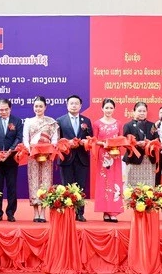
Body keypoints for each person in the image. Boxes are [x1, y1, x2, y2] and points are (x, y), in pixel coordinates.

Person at [55, 94, 92, 222]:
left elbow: (90, 139)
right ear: (67, 105)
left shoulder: (86, 121)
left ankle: (80, 213)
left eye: (76, 103)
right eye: (71, 103)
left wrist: (84, 142)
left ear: (80, 105)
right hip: (66, 158)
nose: (74, 105)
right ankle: (67, 211)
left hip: (82, 158)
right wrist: (67, 143)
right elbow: (56, 141)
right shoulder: (60, 121)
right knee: (67, 185)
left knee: (81, 186)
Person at [22, 96, 59, 223]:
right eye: (36, 106)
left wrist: (48, 149)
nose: (38, 108)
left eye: (40, 106)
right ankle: (35, 212)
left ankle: (43, 212)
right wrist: (31, 150)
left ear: (45, 107)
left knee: (45, 181)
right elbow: (25, 140)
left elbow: (55, 140)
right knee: (34, 183)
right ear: (33, 107)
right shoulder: (28, 122)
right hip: (32, 155)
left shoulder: (51, 122)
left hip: (47, 156)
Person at [0, 99, 23, 222]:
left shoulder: (16, 121)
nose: (3, 112)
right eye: (1, 110)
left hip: (11, 158)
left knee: (12, 186)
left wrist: (10, 151)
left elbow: (19, 137)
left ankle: (11, 212)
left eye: (6, 109)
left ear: (10, 109)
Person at [93, 98, 123, 222]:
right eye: (106, 108)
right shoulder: (97, 123)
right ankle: (105, 211)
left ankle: (113, 211)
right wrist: (104, 143)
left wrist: (115, 144)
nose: (109, 110)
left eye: (111, 108)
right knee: (104, 181)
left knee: (115, 180)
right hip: (103, 155)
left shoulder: (119, 123)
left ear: (114, 109)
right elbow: (94, 140)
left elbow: (122, 139)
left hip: (115, 155)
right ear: (102, 108)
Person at [122, 102, 157, 189]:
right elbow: (125, 142)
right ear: (134, 112)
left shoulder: (152, 126)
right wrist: (137, 144)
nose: (142, 113)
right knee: (132, 188)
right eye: (139, 111)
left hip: (148, 159)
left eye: (144, 111)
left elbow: (157, 140)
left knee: (148, 188)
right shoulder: (128, 125)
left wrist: (149, 143)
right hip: (134, 159)